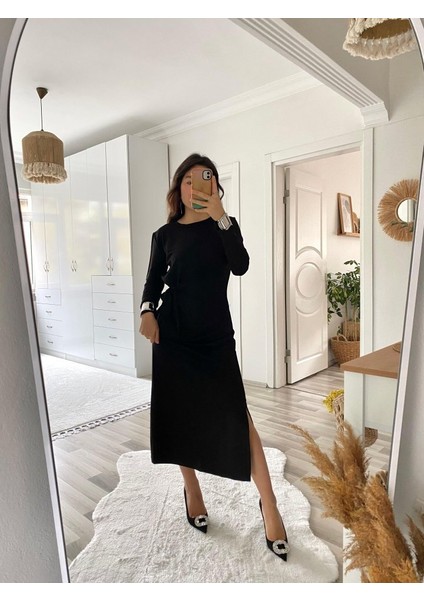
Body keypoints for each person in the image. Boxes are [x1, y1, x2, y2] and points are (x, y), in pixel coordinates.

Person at [139, 153, 289, 561]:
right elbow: (151, 284)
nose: (195, 186)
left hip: (214, 337)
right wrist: (147, 311)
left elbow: (240, 265)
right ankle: (192, 490)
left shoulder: (224, 226)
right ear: (179, 188)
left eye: (203, 178)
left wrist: (221, 216)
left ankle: (270, 503)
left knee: (238, 417)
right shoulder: (164, 235)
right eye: (187, 180)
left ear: (215, 185)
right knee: (179, 416)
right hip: (172, 335)